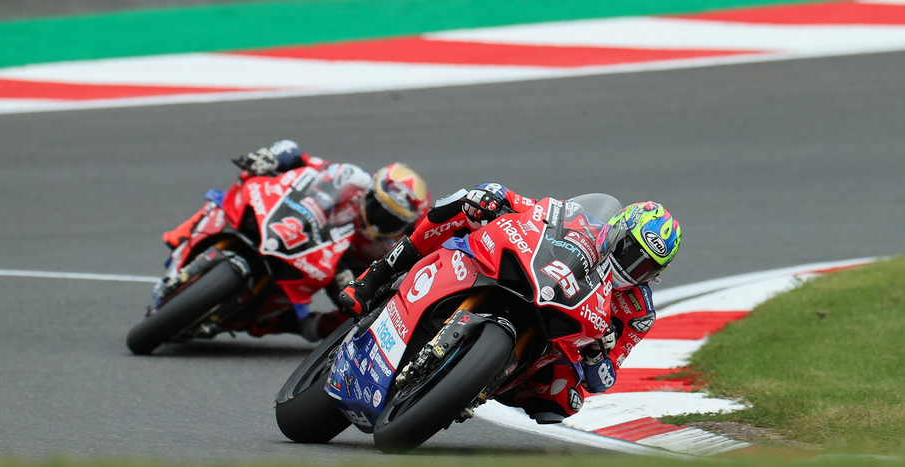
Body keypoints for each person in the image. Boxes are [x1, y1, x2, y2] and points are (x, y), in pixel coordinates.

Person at [339, 183, 681, 422]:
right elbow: (531, 209)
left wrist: (597, 352)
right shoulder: (580, 221)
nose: (632, 268)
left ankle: (479, 385)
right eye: (629, 252)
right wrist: (494, 196)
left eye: (645, 266)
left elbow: (604, 380)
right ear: (617, 229)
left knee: (564, 398)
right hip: (527, 277)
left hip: (557, 336)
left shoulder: (638, 312)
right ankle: (376, 276)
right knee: (465, 205)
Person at [162, 140, 430, 341]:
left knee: (351, 318)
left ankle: (288, 323)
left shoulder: (386, 247)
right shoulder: (351, 179)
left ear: (403, 225)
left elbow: (378, 286)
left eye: (391, 219)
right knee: (226, 202)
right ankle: (184, 245)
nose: (379, 221)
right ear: (371, 190)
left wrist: (354, 285)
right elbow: (299, 157)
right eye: (377, 206)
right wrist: (270, 158)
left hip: (324, 268)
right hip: (293, 224)